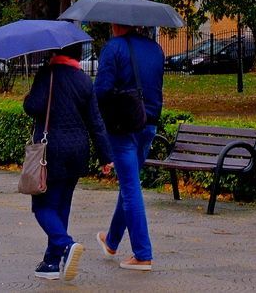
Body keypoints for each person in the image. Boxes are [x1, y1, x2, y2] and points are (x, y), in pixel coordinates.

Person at [23, 42, 110, 282]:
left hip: (52, 150)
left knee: (41, 206)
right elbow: (96, 121)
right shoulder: (83, 79)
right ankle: (51, 263)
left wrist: (28, 97)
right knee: (61, 206)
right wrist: (106, 156)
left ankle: (65, 244)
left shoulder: (47, 74)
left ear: (55, 51)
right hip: (78, 149)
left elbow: (34, 107)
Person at [93, 22, 166, 271]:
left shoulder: (113, 48)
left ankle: (142, 253)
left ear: (115, 23)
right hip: (149, 124)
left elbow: (101, 90)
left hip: (123, 125)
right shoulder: (156, 49)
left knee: (130, 186)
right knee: (130, 181)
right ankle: (112, 241)